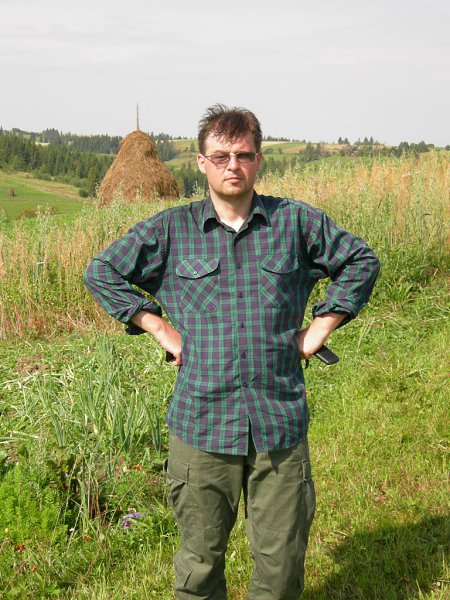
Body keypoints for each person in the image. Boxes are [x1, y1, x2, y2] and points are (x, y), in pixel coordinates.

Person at [84, 104, 380, 600]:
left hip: (278, 423)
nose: (232, 166)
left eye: (243, 155)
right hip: (201, 424)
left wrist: (319, 329)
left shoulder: (295, 222)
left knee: (281, 567)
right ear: (202, 163)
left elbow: (360, 260)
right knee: (199, 567)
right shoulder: (170, 231)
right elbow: (102, 272)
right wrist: (159, 328)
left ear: (258, 159)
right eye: (220, 156)